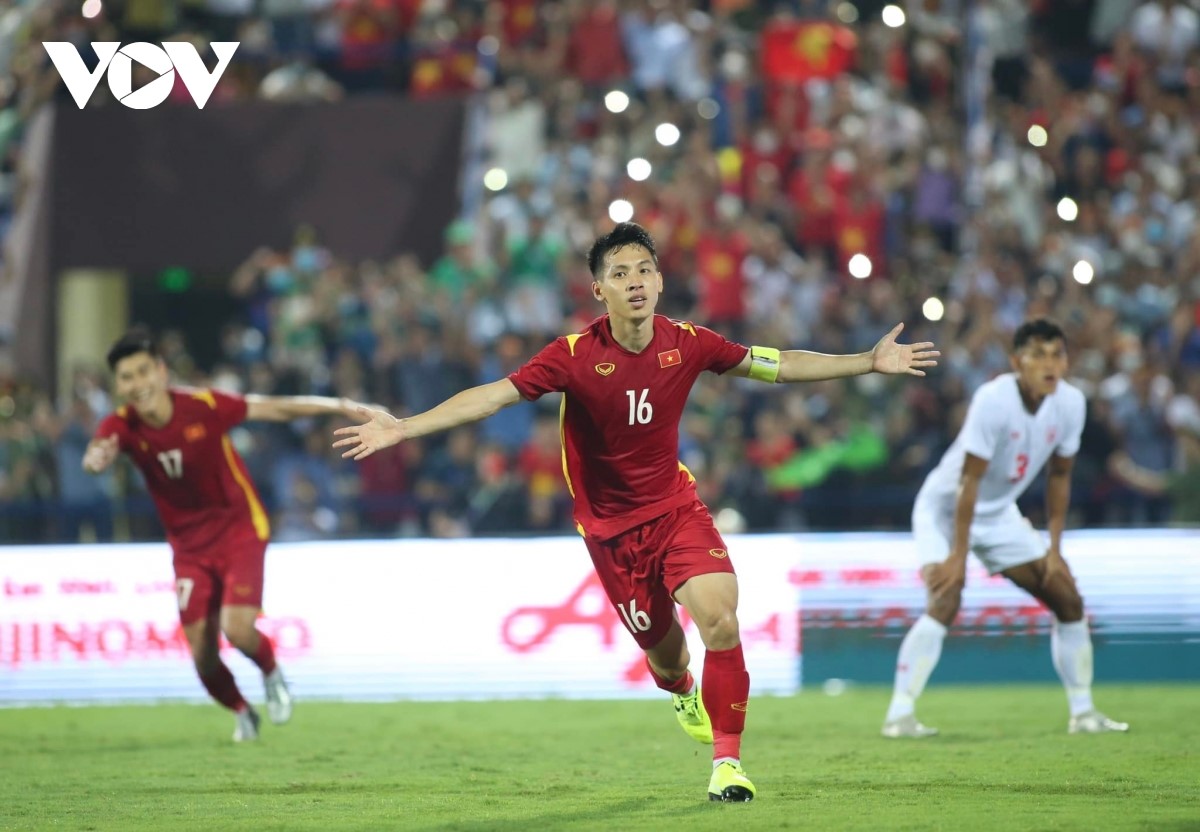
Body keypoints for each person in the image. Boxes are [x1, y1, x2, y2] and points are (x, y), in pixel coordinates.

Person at [334, 222, 939, 801]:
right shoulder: (572, 355)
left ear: (659, 280)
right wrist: (404, 428)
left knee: (721, 620)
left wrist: (865, 360)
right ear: (599, 290)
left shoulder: (690, 343)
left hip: (676, 509)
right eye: (620, 273)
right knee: (665, 652)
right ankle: (680, 691)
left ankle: (728, 764)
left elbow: (776, 364)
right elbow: (493, 396)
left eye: (645, 269)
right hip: (610, 533)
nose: (636, 281)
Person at [83, 327, 373, 742]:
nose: (137, 384)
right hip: (187, 547)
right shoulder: (122, 425)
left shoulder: (203, 405)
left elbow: (273, 409)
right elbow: (97, 452)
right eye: (127, 377)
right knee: (201, 653)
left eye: (143, 371)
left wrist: (339, 405)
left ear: (161, 372)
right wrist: (96, 460)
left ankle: (272, 673)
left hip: (238, 528)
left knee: (237, 630)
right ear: (119, 385)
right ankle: (241, 710)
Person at [882, 318, 1129, 738]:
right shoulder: (993, 400)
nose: (1049, 364)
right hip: (944, 508)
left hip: (997, 514)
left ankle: (1084, 714)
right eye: (1038, 354)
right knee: (945, 597)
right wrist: (958, 557)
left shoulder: (1071, 403)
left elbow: (1059, 476)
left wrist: (1055, 549)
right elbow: (968, 482)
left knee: (1067, 599)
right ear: (1017, 361)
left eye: (1057, 354)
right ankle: (899, 715)